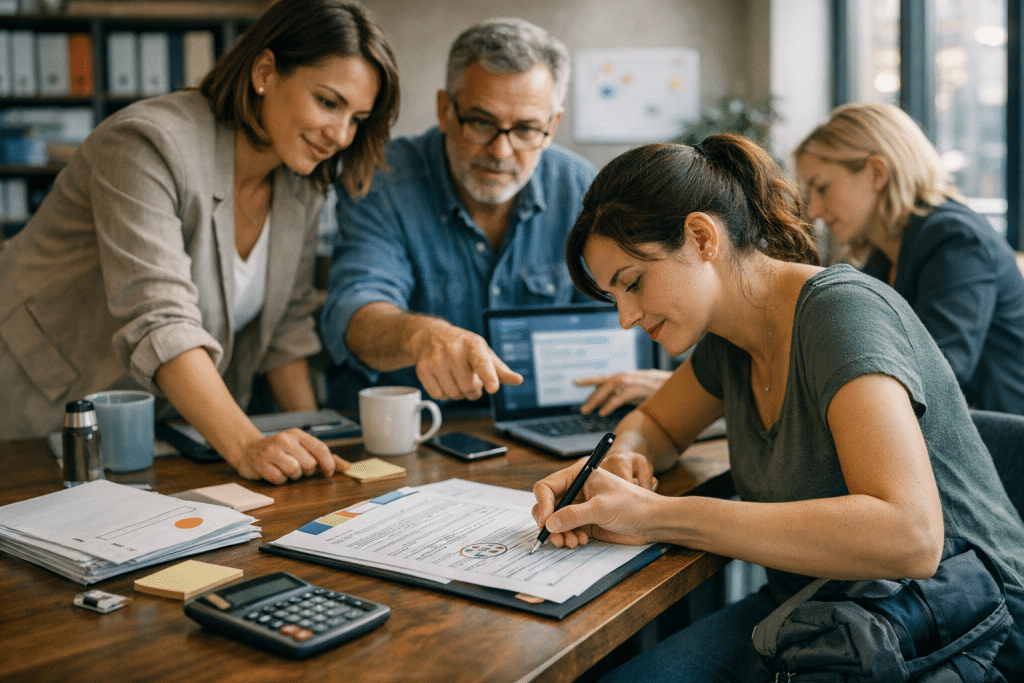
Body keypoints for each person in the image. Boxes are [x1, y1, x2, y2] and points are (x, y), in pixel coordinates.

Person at [531, 136, 1024, 681]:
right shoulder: (728, 340)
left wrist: (656, 517)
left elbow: (910, 538)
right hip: (819, 608)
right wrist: (626, 455)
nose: (626, 317)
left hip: (959, 622)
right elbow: (655, 423)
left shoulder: (839, 311)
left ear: (701, 237)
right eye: (614, 295)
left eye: (633, 282)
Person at [0, 0, 400, 485]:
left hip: (169, 423)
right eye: (328, 102)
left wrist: (317, 446)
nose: (340, 135)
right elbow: (161, 320)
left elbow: (286, 331)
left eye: (358, 118)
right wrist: (248, 443)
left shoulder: (301, 180)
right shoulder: (147, 144)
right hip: (41, 403)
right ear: (265, 71)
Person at [320, 17, 597, 410]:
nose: (500, 152)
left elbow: (616, 322)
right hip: (410, 428)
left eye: (525, 130)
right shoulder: (381, 181)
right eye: (481, 123)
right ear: (445, 110)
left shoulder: (582, 189)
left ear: (552, 126)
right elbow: (355, 311)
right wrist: (422, 336)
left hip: (545, 425)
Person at [795, 102, 1024, 415]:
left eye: (821, 187)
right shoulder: (881, 260)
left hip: (1000, 445)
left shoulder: (954, 238)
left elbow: (939, 377)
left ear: (877, 172)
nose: (813, 211)